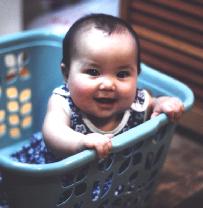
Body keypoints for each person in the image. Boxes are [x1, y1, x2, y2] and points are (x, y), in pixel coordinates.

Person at [42, 13, 184, 159]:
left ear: (137, 74)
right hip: (68, 179)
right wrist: (80, 142)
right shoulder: (63, 102)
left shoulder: (137, 102)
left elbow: (154, 104)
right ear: (67, 74)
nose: (109, 84)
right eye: (93, 71)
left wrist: (163, 103)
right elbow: (53, 132)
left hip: (123, 176)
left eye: (122, 74)